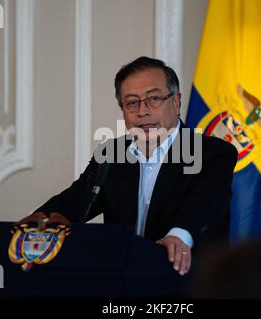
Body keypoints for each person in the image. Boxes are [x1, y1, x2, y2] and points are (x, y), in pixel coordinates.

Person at [16, 56, 238, 276]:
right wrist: (37, 221)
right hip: (125, 285)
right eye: (132, 102)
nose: (142, 111)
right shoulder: (112, 155)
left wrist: (179, 236)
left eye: (154, 99)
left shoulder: (213, 152)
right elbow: (76, 200)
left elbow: (206, 202)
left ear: (176, 102)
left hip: (192, 283)